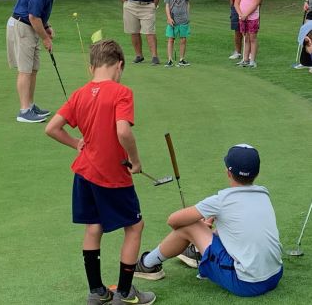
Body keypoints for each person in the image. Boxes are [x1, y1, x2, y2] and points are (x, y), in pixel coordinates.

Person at [45, 40, 156, 305]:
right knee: (135, 226)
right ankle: (126, 293)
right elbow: (123, 130)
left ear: (91, 67)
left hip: (83, 173)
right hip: (112, 175)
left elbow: (51, 128)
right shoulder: (121, 92)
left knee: (94, 226)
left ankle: (97, 292)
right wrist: (135, 160)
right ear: (119, 65)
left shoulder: (79, 93)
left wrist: (76, 144)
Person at [135, 144, 283, 298]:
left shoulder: (221, 200)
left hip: (246, 284)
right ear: (257, 173)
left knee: (191, 226)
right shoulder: (263, 193)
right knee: (210, 227)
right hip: (275, 276)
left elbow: (173, 221)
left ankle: (147, 264)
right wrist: (209, 225)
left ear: (228, 172)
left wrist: (201, 226)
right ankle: (198, 251)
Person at [6, 0, 81, 123]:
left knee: (33, 69)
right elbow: (33, 16)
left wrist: (46, 26)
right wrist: (45, 38)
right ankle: (24, 111)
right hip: (23, 26)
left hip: (30, 26)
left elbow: (39, 13)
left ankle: (30, 105)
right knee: (25, 70)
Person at [234, 0, 264, 68]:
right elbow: (236, 3)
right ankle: (245, 59)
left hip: (252, 18)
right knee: (246, 38)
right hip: (242, 17)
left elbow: (255, 4)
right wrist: (241, 14)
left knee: (252, 39)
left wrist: (246, 14)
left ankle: (252, 61)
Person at [164, 0, 190, 67]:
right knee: (171, 39)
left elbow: (187, 3)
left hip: (183, 19)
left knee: (183, 39)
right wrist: (169, 18)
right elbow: (167, 6)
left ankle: (181, 59)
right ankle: (170, 60)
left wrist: (187, 15)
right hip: (173, 20)